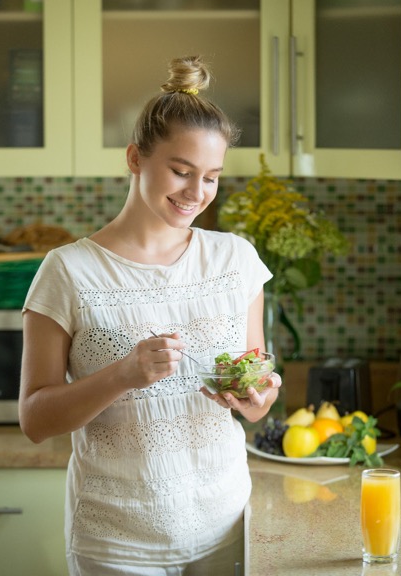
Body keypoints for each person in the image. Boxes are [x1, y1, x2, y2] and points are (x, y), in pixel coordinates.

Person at [19, 55, 282, 575]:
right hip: (116, 541)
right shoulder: (68, 272)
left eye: (211, 177)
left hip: (225, 525)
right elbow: (34, 420)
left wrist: (257, 399)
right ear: (136, 157)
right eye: (181, 171)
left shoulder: (236, 261)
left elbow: (257, 394)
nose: (196, 194)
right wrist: (122, 374)